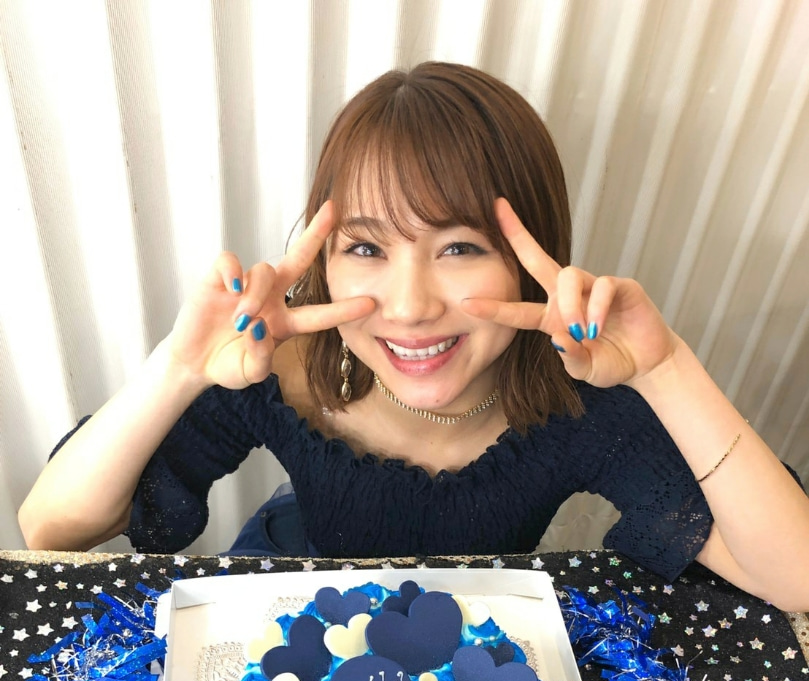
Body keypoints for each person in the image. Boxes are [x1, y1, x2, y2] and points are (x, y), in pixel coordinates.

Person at [18, 63, 809, 612]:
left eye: (458, 248)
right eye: (366, 248)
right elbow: (52, 530)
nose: (408, 306)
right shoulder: (282, 368)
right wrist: (178, 369)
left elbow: (794, 581)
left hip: (469, 670)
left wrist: (665, 369)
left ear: (528, 257)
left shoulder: (579, 402)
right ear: (325, 261)